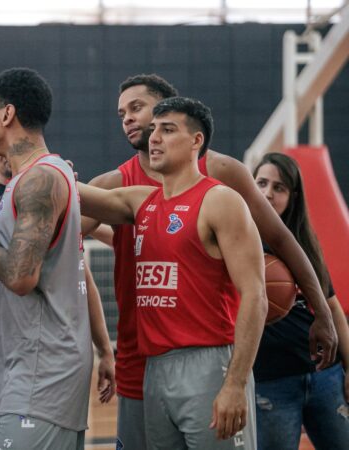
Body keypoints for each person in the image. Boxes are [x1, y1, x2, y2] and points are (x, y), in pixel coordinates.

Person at [81, 73, 338, 450]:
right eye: (122, 114)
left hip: (208, 349)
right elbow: (65, 220)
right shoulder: (123, 187)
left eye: (139, 110)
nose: (131, 121)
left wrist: (322, 310)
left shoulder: (221, 181)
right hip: (144, 357)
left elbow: (281, 239)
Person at [79, 97, 267, 449]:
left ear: (197, 141)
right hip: (155, 368)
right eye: (153, 131)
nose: (154, 139)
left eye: (168, 130)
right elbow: (74, 193)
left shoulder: (220, 200)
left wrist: (236, 383)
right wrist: (30, 169)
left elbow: (256, 296)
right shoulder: (141, 201)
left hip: (209, 363)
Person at [0, 67, 92, 450]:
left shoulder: (40, 179)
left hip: (43, 374)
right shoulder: (30, 178)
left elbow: (22, 277)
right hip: (36, 368)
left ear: (7, 115)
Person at [251, 152, 349, 449]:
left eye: (278, 188)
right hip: (270, 382)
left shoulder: (303, 243)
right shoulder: (236, 239)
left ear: (292, 197)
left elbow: (332, 308)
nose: (268, 193)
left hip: (324, 377)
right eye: (262, 183)